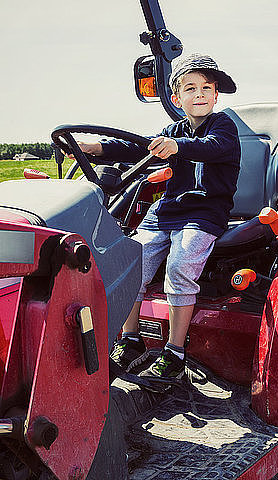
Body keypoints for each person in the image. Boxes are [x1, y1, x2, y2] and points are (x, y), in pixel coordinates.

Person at [76, 54, 240, 384]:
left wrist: (175, 146)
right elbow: (140, 149)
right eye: (190, 88)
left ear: (216, 95)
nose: (200, 94)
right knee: (130, 262)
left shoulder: (223, 126)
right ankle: (131, 340)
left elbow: (209, 147)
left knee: (180, 265)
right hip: (165, 212)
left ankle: (175, 352)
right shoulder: (173, 129)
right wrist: (96, 147)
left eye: (206, 88)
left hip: (204, 212)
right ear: (176, 98)